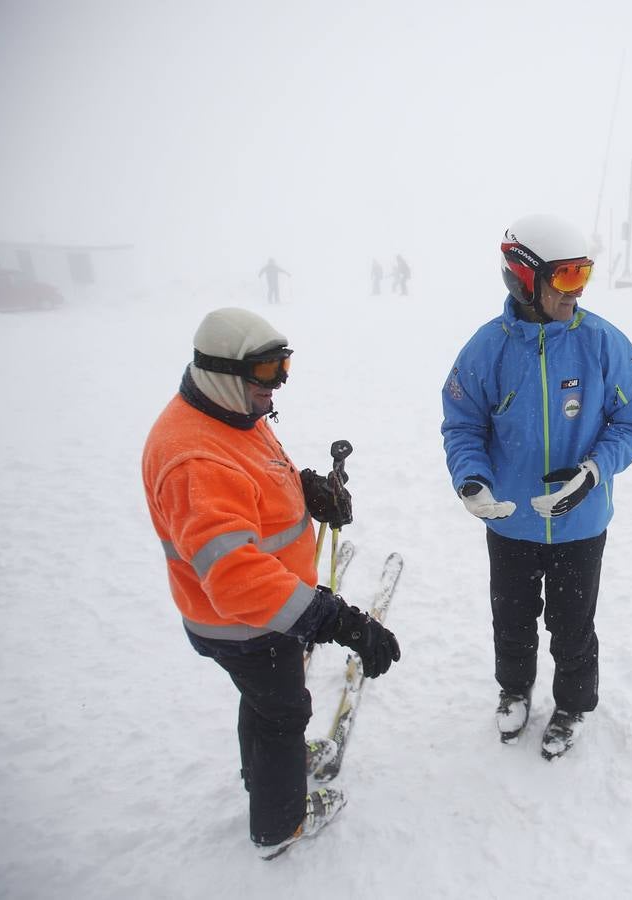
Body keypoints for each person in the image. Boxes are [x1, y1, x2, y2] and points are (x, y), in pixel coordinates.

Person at [142, 307, 401, 859]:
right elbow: (238, 582)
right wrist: (339, 620)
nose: (277, 386)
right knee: (284, 709)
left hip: (257, 618)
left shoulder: (229, 414)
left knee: (263, 703)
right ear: (222, 373)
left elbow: (251, 489)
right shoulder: (194, 457)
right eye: (266, 374)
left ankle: (262, 772)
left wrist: (304, 489)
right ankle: (280, 822)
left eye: (283, 368)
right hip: (245, 625)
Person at [441, 213, 632, 760]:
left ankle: (573, 704)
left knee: (572, 623)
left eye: (585, 273)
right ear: (523, 277)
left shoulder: (602, 343)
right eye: (565, 277)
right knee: (511, 618)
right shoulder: (487, 349)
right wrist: (471, 480)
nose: (576, 290)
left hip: (581, 523)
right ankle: (514, 690)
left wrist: (594, 472)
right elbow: (463, 424)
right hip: (511, 519)